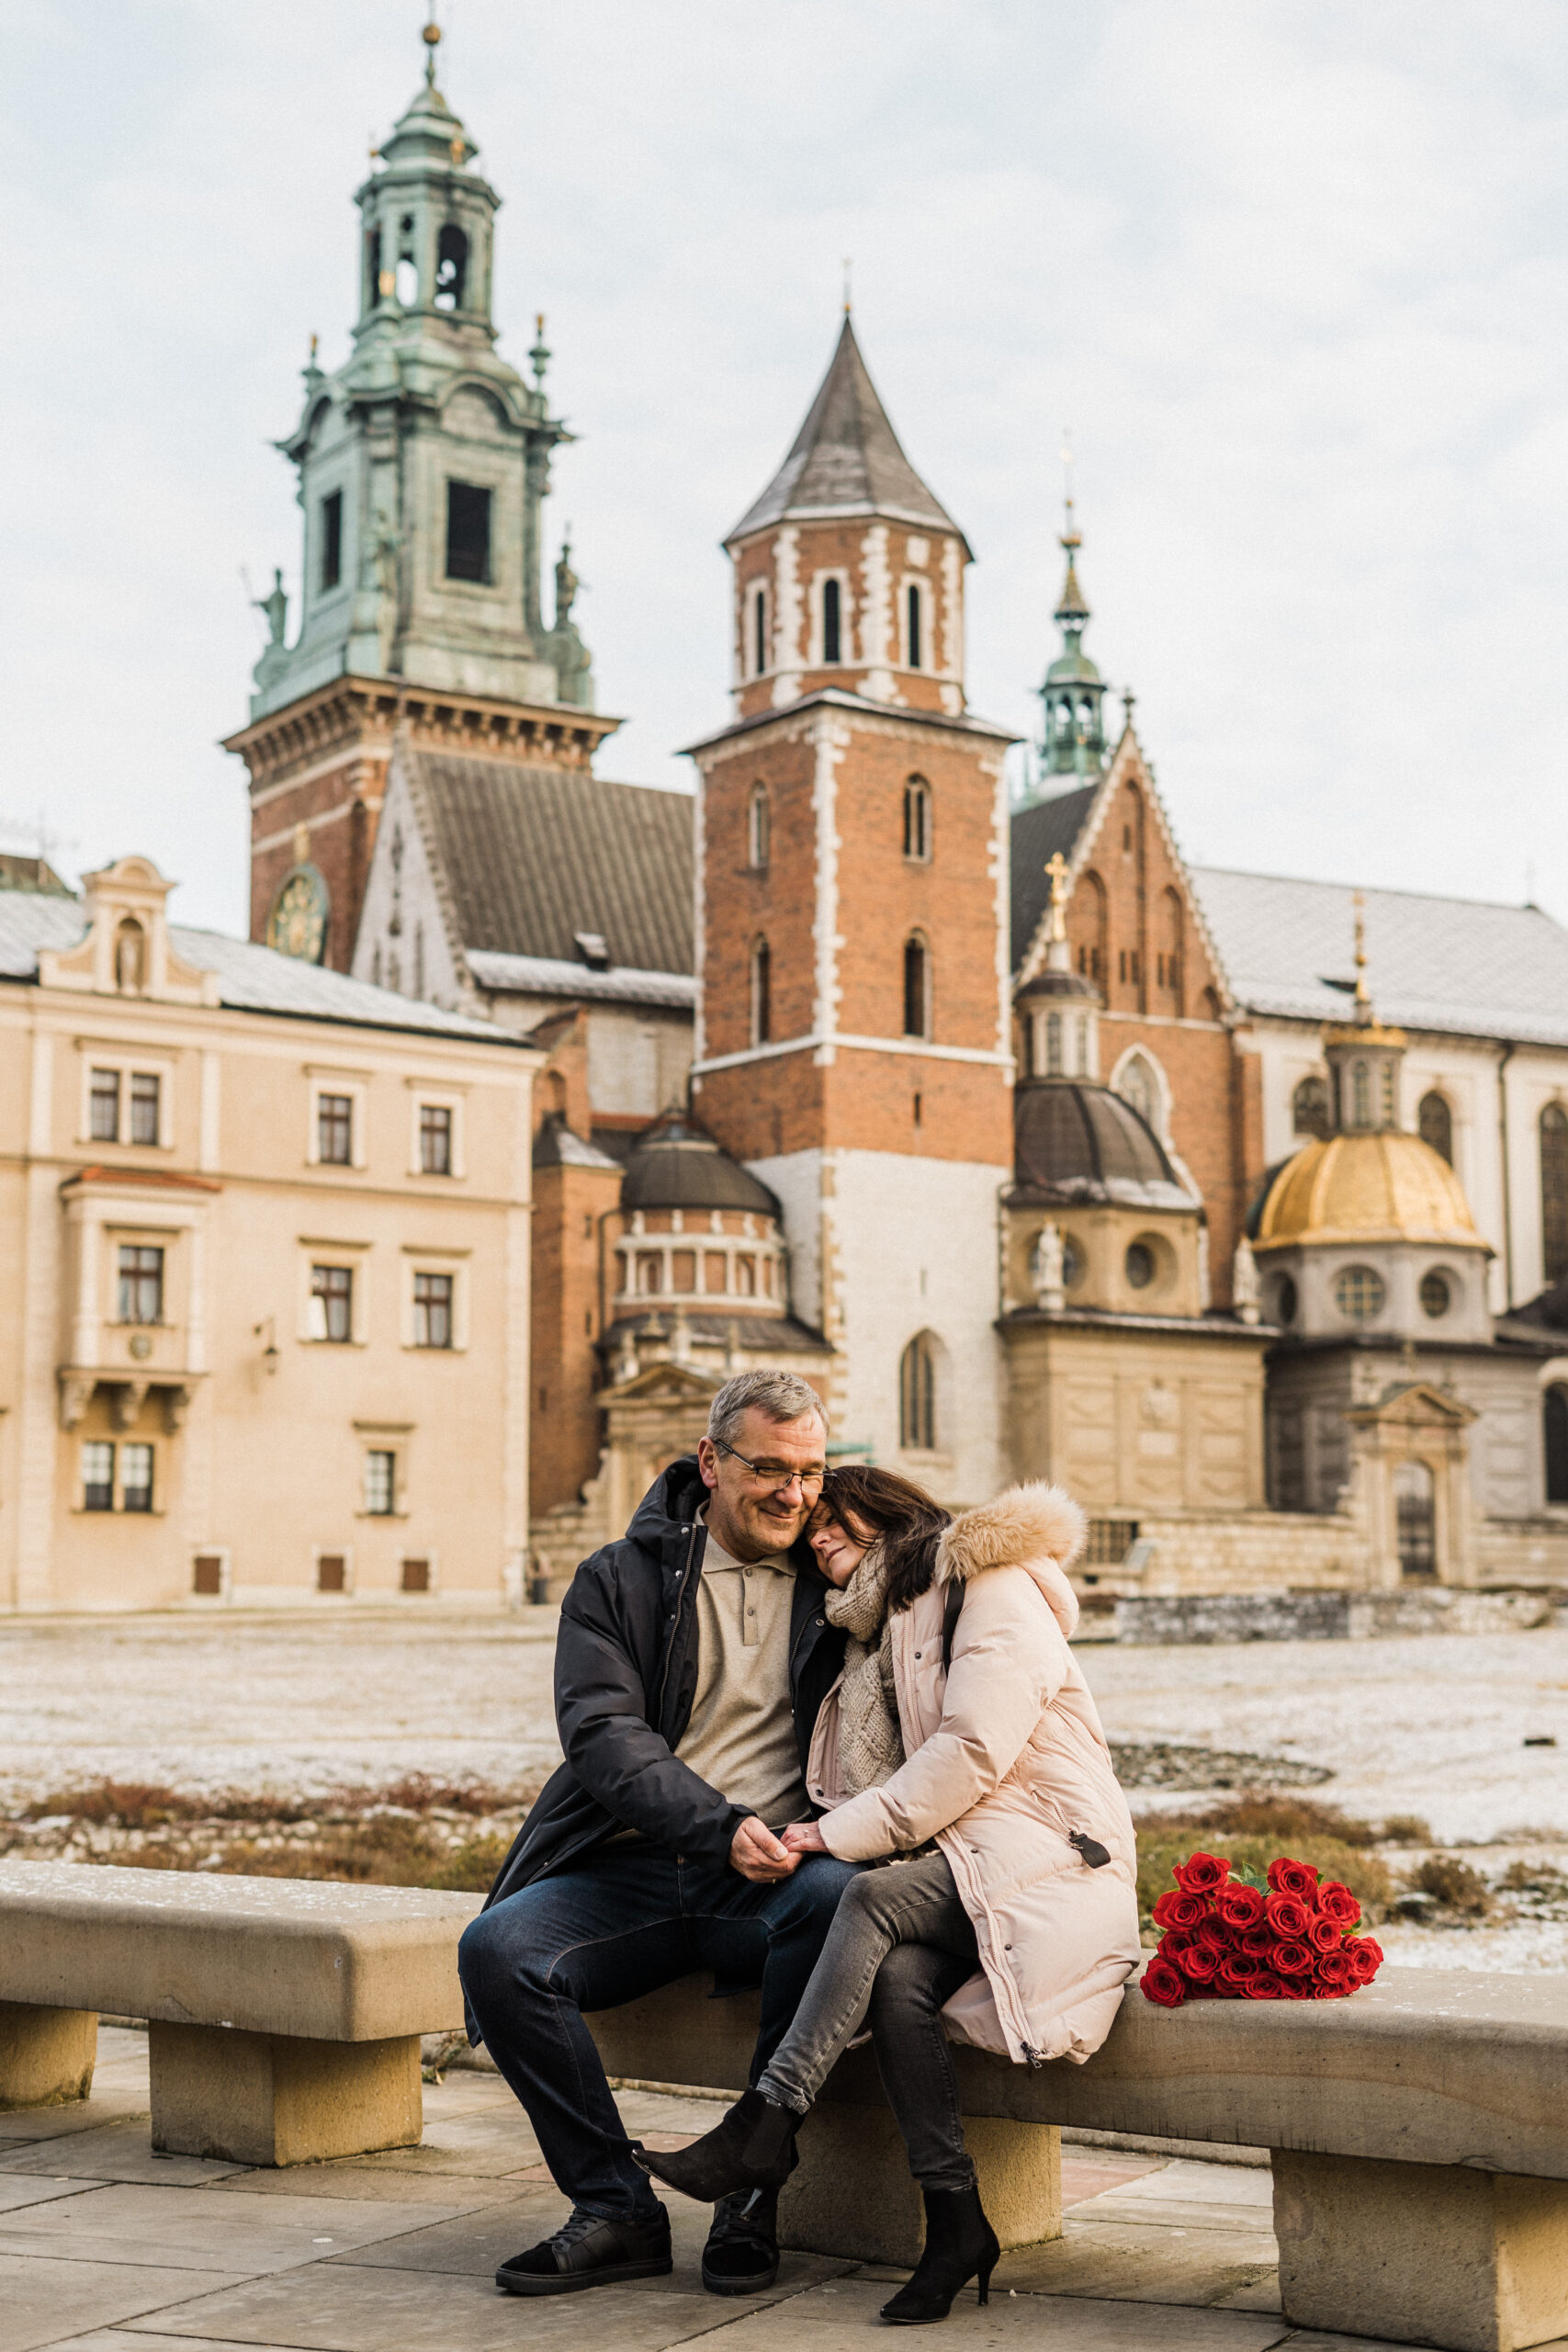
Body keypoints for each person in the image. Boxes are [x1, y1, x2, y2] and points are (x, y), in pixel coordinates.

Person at [640, 1465, 1143, 2324]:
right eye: (814, 1527)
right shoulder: (876, 1632)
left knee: (862, 1902)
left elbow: (973, 1749)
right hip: (973, 1864)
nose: (821, 1532)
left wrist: (825, 1838)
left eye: (842, 1516)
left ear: (896, 1513)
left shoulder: (984, 1584)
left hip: (1057, 1859)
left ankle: (764, 2128)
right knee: (903, 1984)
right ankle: (954, 2223)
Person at [457, 1369, 858, 2301]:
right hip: (631, 1865)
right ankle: (617, 2208)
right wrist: (720, 1827)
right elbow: (603, 1736)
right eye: (767, 1467)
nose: (791, 1494)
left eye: (808, 1472)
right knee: (500, 1949)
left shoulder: (838, 1583)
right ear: (710, 1461)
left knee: (840, 1902)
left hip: (774, 1882)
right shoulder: (620, 1577)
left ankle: (749, 2196)